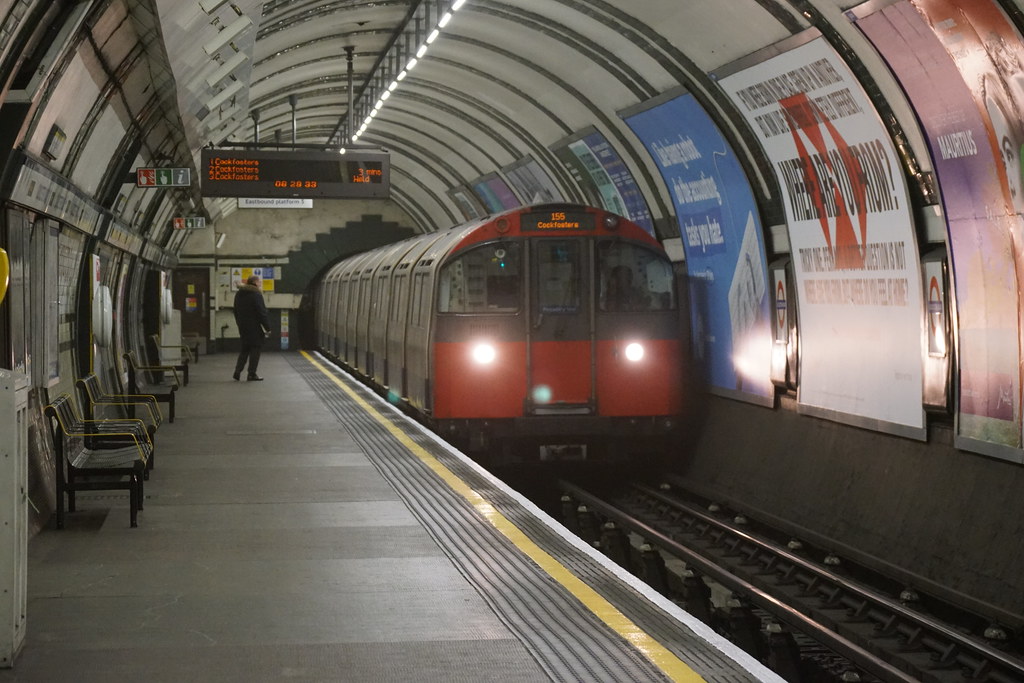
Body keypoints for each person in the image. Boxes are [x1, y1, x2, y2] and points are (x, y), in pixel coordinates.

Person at [233, 274, 270, 381]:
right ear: (255, 282)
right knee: (255, 350)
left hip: (243, 327)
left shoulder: (239, 294)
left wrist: (239, 323)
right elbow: (261, 312)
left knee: (244, 349)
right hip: (254, 328)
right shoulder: (256, 294)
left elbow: (235, 311)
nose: (260, 284)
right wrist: (267, 327)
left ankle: (237, 371)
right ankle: (251, 374)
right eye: (259, 282)